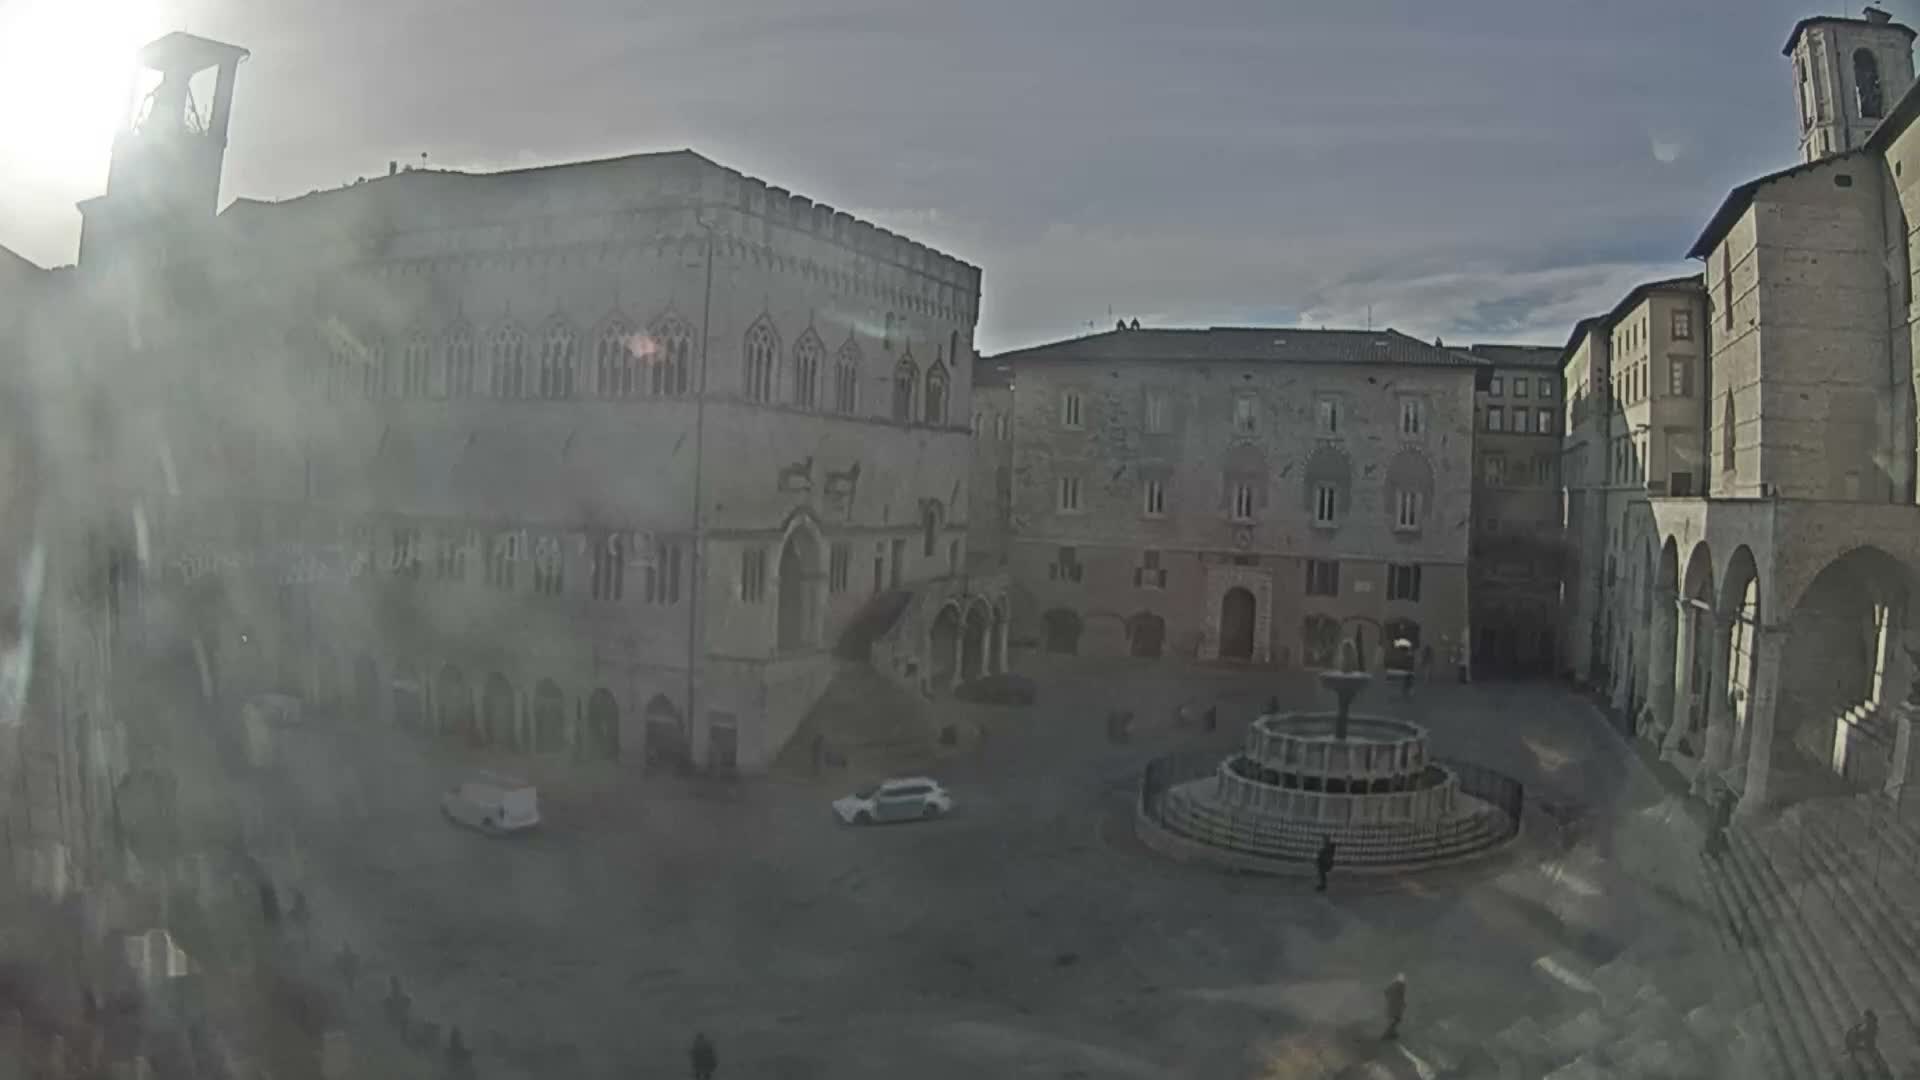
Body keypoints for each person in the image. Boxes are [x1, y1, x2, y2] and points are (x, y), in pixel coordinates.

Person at [1383, 974, 1407, 1040]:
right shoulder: (1401, 986)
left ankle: (1392, 1032)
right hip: (1396, 1006)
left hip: (1391, 1005)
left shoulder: (1392, 985)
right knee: (1397, 1019)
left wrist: (1389, 999)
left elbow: (1386, 992)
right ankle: (1388, 1033)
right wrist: (1403, 1003)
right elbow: (1402, 996)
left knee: (1395, 1019)